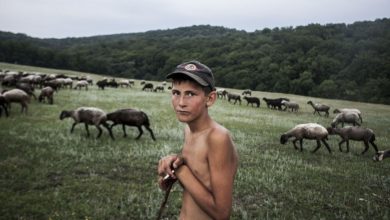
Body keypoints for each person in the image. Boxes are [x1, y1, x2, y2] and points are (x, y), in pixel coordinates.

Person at [157, 60, 239, 220]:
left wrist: (181, 171)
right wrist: (171, 171)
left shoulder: (217, 138)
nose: (181, 103)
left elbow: (222, 213)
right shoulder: (188, 129)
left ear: (210, 99)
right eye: (176, 93)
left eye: (190, 94)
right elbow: (198, 180)